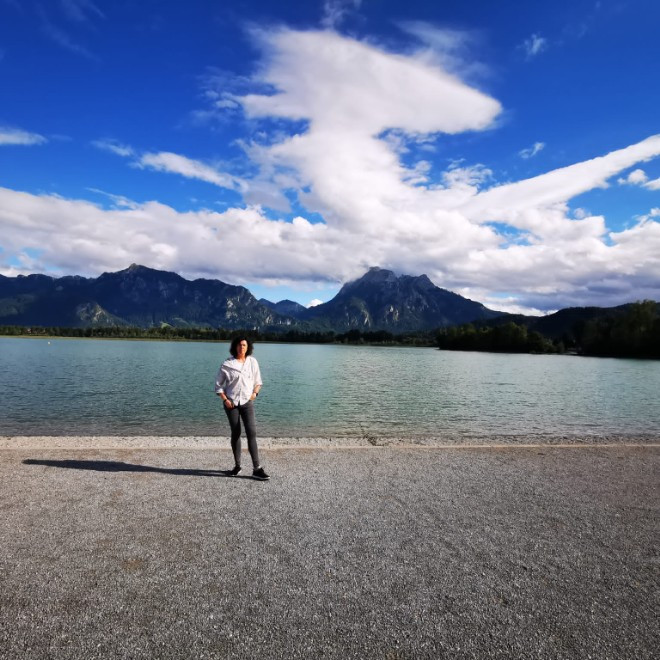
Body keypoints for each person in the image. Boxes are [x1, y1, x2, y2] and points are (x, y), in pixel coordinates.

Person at [215, 336, 270, 481]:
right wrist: (225, 400)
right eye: (239, 345)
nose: (242, 347)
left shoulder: (252, 362)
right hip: (231, 403)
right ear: (235, 347)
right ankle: (237, 466)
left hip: (247, 402)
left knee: (252, 432)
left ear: (248, 347)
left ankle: (257, 468)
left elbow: (258, 382)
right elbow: (218, 385)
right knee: (236, 433)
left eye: (244, 345)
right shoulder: (227, 364)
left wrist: (255, 393)